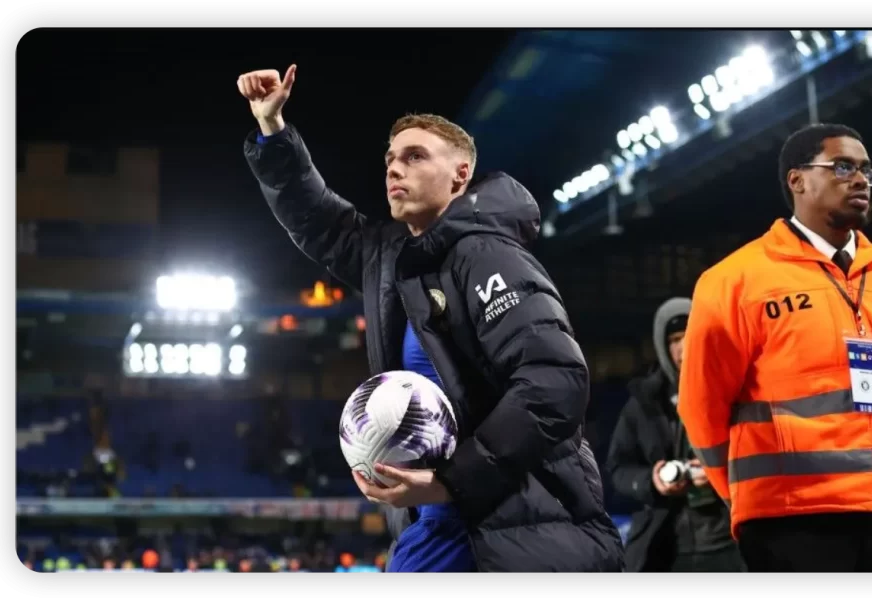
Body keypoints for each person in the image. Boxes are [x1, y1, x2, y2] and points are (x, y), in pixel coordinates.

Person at [236, 65, 624, 573]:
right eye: (391, 158)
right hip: (446, 521)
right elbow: (319, 220)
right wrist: (273, 129)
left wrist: (452, 481)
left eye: (415, 157)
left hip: (511, 526)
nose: (394, 168)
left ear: (460, 175)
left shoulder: (488, 256)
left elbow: (555, 383)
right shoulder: (394, 258)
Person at [677, 123, 872, 573]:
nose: (860, 180)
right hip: (790, 520)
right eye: (842, 167)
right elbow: (702, 407)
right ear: (797, 180)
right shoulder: (733, 282)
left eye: (866, 171)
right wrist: (742, 494)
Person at [606, 297, 742, 573]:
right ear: (662, 345)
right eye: (674, 339)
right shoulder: (643, 403)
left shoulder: (733, 391)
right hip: (667, 546)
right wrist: (652, 480)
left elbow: (760, 454)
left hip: (727, 541)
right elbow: (618, 468)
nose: (682, 348)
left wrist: (718, 469)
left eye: (689, 335)